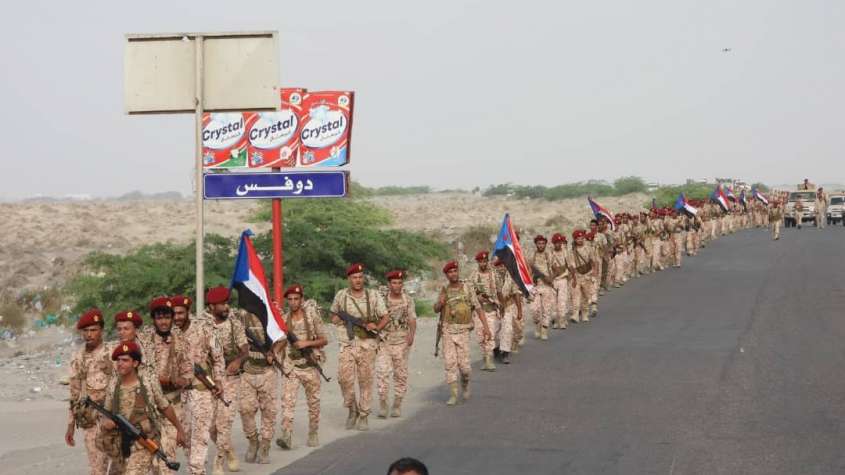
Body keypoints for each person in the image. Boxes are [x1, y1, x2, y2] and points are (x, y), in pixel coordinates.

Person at [99, 341, 187, 474]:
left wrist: (179, 429)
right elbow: (106, 412)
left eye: (125, 360)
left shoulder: (147, 382)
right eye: (118, 360)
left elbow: (164, 406)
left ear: (135, 363)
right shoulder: (114, 384)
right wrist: (106, 423)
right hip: (120, 442)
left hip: (143, 441)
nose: (120, 363)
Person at [330, 263, 390, 431]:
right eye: (354, 277)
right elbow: (333, 314)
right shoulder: (341, 295)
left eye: (360, 277)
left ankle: (363, 415)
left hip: (367, 344)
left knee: (365, 381)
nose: (357, 280)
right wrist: (336, 319)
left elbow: (385, 316)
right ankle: (352, 409)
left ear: (363, 278)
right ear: (349, 279)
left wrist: (377, 326)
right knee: (344, 379)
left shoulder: (373, 296)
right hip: (347, 344)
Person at [172, 294, 225, 475]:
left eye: (180, 313)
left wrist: (219, 380)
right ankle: (195, 467)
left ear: (188, 312)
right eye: (174, 314)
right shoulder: (170, 333)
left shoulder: (204, 328)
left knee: (200, 435)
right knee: (186, 437)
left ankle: (197, 471)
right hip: (179, 394)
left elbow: (218, 357)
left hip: (202, 390)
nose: (177, 317)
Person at [143, 297, 192, 475]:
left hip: (172, 403)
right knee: (151, 456)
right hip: (149, 406)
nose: (163, 322)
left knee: (168, 454)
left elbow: (188, 368)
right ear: (153, 319)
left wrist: (184, 380)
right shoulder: (144, 340)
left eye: (167, 317)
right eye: (159, 317)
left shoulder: (180, 338)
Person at [434, 261, 491, 406]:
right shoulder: (444, 290)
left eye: (455, 271)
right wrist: (440, 303)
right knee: (450, 363)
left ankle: (465, 384)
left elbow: (478, 308)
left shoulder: (467, 288)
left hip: (463, 331)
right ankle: (453, 394)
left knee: (465, 367)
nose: (453, 274)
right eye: (450, 272)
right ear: (446, 275)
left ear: (458, 272)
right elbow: (436, 309)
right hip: (448, 330)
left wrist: (486, 327)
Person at [278, 284, 327, 449]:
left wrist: (307, 343)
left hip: (310, 365)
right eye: (290, 299)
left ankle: (313, 432)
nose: (293, 302)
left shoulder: (312, 316)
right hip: (292, 366)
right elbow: (281, 341)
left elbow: (324, 339)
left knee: (313, 403)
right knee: (287, 402)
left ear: (301, 299)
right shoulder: (284, 319)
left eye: (296, 299)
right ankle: (286, 435)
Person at [206, 286, 248, 474]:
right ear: (211, 306)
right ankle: (229, 451)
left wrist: (238, 361)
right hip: (209, 381)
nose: (226, 307)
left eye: (227, 303)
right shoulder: (202, 325)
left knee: (224, 423)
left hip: (230, 379)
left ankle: (218, 463)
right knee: (211, 427)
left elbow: (245, 349)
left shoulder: (234, 324)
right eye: (222, 304)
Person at [66, 308, 112, 475]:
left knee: (122, 467)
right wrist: (71, 425)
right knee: (97, 468)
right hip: (91, 419)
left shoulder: (113, 353)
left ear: (101, 330)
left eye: (93, 330)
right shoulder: (78, 358)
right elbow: (74, 393)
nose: (89, 334)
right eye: (85, 331)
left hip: (115, 417)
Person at [238, 307, 281, 464]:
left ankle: (265, 445)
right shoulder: (241, 316)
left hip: (267, 372)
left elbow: (283, 338)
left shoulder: (273, 314)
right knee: (245, 409)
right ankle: (253, 440)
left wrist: (274, 352)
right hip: (248, 372)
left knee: (269, 411)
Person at [376, 270, 417, 418]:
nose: (397, 285)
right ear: (389, 284)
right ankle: (383, 403)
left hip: (401, 342)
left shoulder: (407, 300)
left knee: (400, 374)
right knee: (382, 373)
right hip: (385, 341)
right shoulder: (382, 300)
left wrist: (411, 335)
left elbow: (412, 319)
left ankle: (397, 404)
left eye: (399, 283)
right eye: (394, 283)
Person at [467, 251, 500, 369]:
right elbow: (469, 293)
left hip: (491, 309)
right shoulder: (473, 276)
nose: (483, 263)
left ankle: (489, 360)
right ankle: (485, 357)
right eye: (480, 261)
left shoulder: (493, 274)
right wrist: (477, 297)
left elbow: (499, 291)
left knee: (489, 333)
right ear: (478, 262)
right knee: (480, 336)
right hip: (478, 310)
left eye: (485, 261)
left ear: (487, 261)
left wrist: (501, 306)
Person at [494, 258, 523, 363]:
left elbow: (516, 293)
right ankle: (496, 348)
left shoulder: (511, 277)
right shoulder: (491, 278)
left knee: (508, 329)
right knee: (495, 331)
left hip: (507, 307)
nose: (501, 268)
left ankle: (505, 353)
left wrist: (519, 310)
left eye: (503, 266)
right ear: (496, 268)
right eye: (499, 266)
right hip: (495, 308)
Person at [567, 230, 599, 323]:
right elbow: (571, 265)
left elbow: (593, 260)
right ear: (575, 239)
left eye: (581, 238)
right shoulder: (571, 251)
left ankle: (585, 314)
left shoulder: (588, 248)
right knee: (576, 296)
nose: (580, 240)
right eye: (578, 239)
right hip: (577, 275)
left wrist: (595, 272)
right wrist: (573, 278)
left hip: (587, 274)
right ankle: (575, 315)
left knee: (585, 295)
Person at [528, 235, 555, 340]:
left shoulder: (549, 255)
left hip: (546, 286)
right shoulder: (532, 256)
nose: (541, 245)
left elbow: (555, 269)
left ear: (545, 244)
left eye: (543, 243)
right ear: (536, 244)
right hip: (535, 286)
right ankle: (537, 325)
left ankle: (544, 330)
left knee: (546, 309)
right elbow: (528, 270)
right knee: (534, 309)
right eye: (539, 243)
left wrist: (551, 278)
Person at [550, 233, 570, 329]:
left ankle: (562, 320)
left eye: (559, 242)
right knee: (553, 301)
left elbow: (569, 264)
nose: (558, 244)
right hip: (553, 280)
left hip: (563, 279)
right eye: (556, 242)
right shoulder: (550, 253)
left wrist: (572, 276)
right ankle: (555, 320)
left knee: (562, 300)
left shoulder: (565, 252)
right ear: (553, 243)